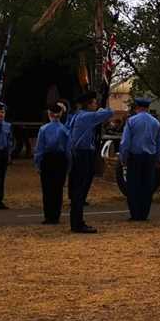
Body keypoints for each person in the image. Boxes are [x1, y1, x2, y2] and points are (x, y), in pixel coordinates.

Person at [68, 92, 114, 233]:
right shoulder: (87, 116)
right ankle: (78, 223)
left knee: (77, 189)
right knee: (81, 189)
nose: (96, 105)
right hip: (83, 154)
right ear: (89, 104)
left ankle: (76, 221)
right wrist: (102, 108)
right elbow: (109, 113)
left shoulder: (76, 116)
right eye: (94, 103)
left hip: (77, 154)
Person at [120, 98, 160, 222]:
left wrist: (123, 157)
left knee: (133, 185)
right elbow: (159, 142)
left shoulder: (131, 121)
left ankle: (135, 214)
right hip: (149, 157)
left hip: (135, 157)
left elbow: (125, 142)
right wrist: (158, 158)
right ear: (147, 108)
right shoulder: (155, 122)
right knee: (147, 186)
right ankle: (144, 214)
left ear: (137, 108)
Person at [34, 105, 70, 224]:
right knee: (58, 188)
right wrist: (69, 165)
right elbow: (68, 149)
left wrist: (38, 164)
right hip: (60, 159)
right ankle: (56, 215)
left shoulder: (43, 129)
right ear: (60, 114)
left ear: (49, 114)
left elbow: (39, 149)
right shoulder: (65, 130)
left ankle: (48, 216)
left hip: (47, 159)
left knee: (47, 188)